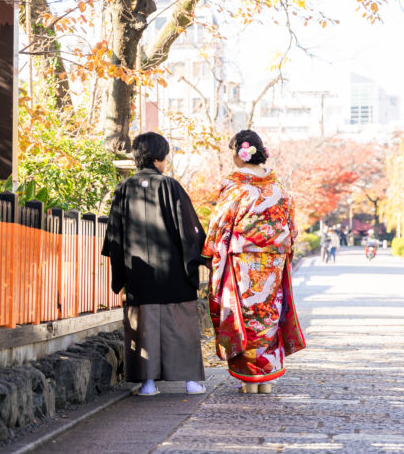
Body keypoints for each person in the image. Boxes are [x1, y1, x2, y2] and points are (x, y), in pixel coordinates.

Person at [103, 132, 207, 397]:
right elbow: (190, 229)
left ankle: (147, 384)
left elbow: (115, 234)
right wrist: (199, 256)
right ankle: (190, 382)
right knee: (180, 325)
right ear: (159, 158)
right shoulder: (171, 186)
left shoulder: (124, 188)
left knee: (144, 326)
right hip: (174, 271)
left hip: (139, 273)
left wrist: (120, 271)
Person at [203, 130, 306, 394]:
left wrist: (209, 251)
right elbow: (291, 228)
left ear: (240, 151)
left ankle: (249, 380)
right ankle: (267, 378)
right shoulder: (279, 187)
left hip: (244, 262)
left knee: (245, 314)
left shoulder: (236, 185)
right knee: (268, 314)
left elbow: (220, 222)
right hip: (273, 261)